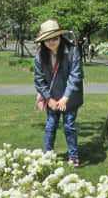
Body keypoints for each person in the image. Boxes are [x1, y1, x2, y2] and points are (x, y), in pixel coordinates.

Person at [34, 20, 84, 168]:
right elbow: (39, 80)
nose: (52, 42)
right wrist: (49, 99)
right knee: (50, 126)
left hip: (70, 97)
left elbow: (75, 76)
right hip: (53, 98)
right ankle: (47, 155)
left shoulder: (72, 52)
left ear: (60, 38)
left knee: (69, 126)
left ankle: (73, 157)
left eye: (55, 38)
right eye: (48, 39)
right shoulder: (39, 57)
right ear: (43, 41)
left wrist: (65, 98)